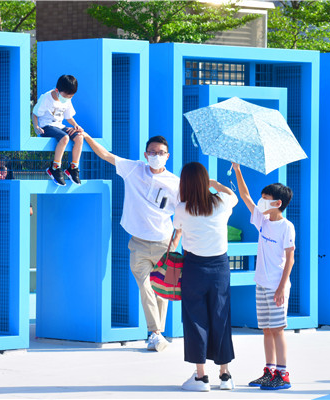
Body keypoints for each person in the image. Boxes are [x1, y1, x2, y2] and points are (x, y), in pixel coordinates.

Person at [83, 133, 180, 352]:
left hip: (164, 242)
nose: (156, 156)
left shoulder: (176, 183)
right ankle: (156, 333)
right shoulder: (134, 169)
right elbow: (105, 154)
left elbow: (182, 216)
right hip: (138, 243)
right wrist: (86, 136)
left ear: (168, 156)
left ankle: (156, 334)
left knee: (163, 291)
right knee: (145, 287)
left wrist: (175, 243)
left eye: (161, 153)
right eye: (152, 152)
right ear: (146, 155)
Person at [173, 162, 238, 392]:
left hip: (194, 267)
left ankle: (201, 377)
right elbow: (234, 196)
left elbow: (178, 229)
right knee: (220, 316)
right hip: (220, 267)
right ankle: (225, 374)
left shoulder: (182, 208)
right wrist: (216, 184)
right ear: (204, 181)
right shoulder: (221, 202)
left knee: (195, 318)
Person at [232, 163, 295, 390]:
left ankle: (283, 373)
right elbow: (245, 195)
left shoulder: (287, 227)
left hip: (277, 286)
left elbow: (290, 260)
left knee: (278, 330)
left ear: (277, 203)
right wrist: (237, 170)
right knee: (267, 329)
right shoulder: (262, 221)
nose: (260, 202)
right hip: (261, 285)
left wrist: (280, 288)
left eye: (265, 198)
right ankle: (269, 370)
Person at [32, 74, 85, 186]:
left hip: (59, 126)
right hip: (46, 126)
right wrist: (36, 127)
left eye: (71, 97)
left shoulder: (67, 99)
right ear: (57, 90)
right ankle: (55, 168)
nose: (68, 99)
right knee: (65, 138)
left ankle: (73, 168)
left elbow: (68, 117)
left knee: (80, 137)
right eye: (66, 96)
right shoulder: (46, 98)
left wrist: (76, 125)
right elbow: (35, 114)